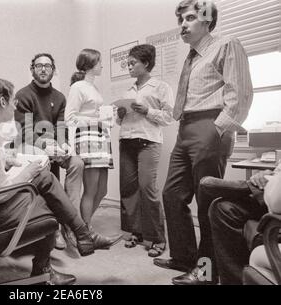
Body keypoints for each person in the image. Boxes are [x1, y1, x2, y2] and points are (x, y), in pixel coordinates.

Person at [0, 77, 120, 285]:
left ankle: (78, 236)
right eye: (12, 101)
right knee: (46, 192)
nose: (15, 105)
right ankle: (74, 240)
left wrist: (6, 160)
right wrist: (28, 170)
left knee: (44, 181)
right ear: (2, 102)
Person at [153, 0, 253, 285]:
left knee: (207, 202)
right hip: (186, 127)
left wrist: (217, 130)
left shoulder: (226, 44)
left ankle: (207, 272)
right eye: (180, 20)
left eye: (189, 18)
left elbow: (241, 94)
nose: (182, 25)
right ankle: (183, 258)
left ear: (207, 21)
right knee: (172, 195)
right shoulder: (192, 56)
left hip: (210, 125)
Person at [14, 53, 84, 250]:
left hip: (53, 147)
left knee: (76, 163)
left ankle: (69, 223)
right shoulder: (23, 95)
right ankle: (53, 228)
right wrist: (46, 147)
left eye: (47, 66)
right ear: (32, 70)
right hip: (32, 148)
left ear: (53, 70)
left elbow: (60, 127)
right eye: (38, 66)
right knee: (48, 174)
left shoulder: (60, 97)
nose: (43, 69)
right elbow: (25, 132)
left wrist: (63, 147)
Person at [116, 44, 174, 257]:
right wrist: (120, 114)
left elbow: (169, 117)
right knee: (128, 190)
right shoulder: (128, 90)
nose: (129, 67)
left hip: (149, 142)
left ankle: (158, 238)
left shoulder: (161, 87)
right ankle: (136, 232)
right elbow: (117, 120)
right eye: (128, 63)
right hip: (127, 141)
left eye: (133, 63)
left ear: (146, 63)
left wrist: (148, 110)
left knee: (147, 188)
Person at [65, 49, 121, 247]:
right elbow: (70, 117)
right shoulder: (78, 87)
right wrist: (97, 117)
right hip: (88, 139)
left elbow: (92, 114)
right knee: (91, 189)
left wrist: (107, 115)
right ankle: (85, 233)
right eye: (99, 62)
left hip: (100, 137)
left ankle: (82, 227)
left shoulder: (93, 87)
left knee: (102, 190)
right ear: (89, 64)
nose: (102, 65)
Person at [205, 162, 281, 284]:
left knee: (207, 185)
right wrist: (269, 174)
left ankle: (249, 186)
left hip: (276, 213)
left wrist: (271, 181)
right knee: (222, 208)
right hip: (272, 197)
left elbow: (276, 202)